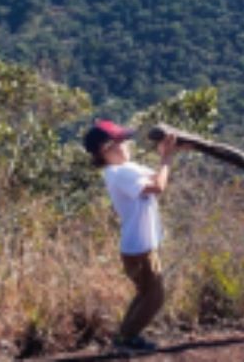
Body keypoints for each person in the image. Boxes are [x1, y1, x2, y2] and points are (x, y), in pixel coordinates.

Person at [83, 119, 178, 353]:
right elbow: (158, 187)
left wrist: (167, 152)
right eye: (122, 141)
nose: (128, 144)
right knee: (154, 297)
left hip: (142, 246)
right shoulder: (117, 173)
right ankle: (126, 338)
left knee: (147, 293)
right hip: (138, 248)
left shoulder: (128, 168)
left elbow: (156, 178)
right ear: (107, 149)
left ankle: (127, 336)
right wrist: (166, 158)